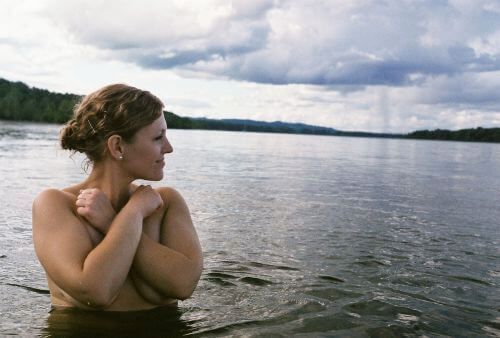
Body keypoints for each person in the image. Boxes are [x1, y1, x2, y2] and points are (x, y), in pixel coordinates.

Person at [32, 84, 203, 311]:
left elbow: (184, 286)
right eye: (158, 137)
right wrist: (133, 213)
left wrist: (112, 221)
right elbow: (96, 291)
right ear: (117, 146)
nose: (169, 148)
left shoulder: (167, 203)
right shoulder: (56, 205)